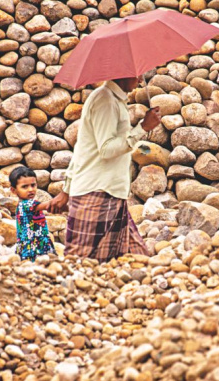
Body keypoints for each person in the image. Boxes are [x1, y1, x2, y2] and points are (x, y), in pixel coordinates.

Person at [48, 77, 161, 262]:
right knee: (79, 264)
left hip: (111, 194)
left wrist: (66, 190)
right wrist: (142, 128)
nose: (141, 79)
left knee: (138, 261)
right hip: (96, 195)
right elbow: (106, 149)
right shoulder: (105, 101)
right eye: (136, 73)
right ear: (123, 71)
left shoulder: (115, 99)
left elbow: (82, 149)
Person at [10, 166, 56, 261]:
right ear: (13, 190)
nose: (30, 189)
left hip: (33, 244)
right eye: (24, 187)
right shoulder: (26, 204)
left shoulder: (21, 205)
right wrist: (60, 204)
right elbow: (45, 206)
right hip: (34, 247)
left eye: (33, 185)